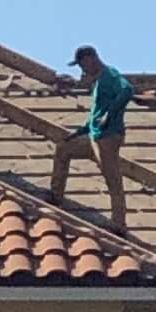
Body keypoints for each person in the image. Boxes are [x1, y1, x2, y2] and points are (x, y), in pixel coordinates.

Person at [49, 45, 131, 231]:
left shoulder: (109, 75)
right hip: (95, 137)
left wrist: (109, 116)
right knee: (64, 149)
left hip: (108, 137)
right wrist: (78, 133)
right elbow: (95, 116)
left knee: (112, 178)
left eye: (82, 65)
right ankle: (55, 196)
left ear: (90, 59)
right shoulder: (98, 83)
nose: (82, 70)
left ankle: (118, 223)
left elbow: (127, 90)